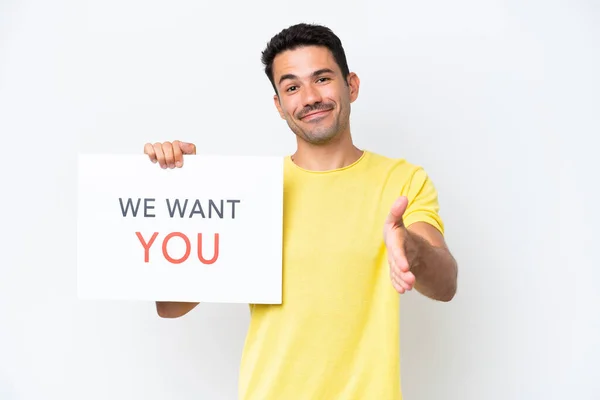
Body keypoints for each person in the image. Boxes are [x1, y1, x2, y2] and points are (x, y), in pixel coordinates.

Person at [143, 23, 458, 400]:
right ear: (279, 105)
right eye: (292, 87)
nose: (309, 97)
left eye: (322, 79)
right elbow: (170, 305)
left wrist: (409, 247)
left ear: (351, 85)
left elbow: (446, 284)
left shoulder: (402, 181)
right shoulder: (250, 191)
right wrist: (184, 194)